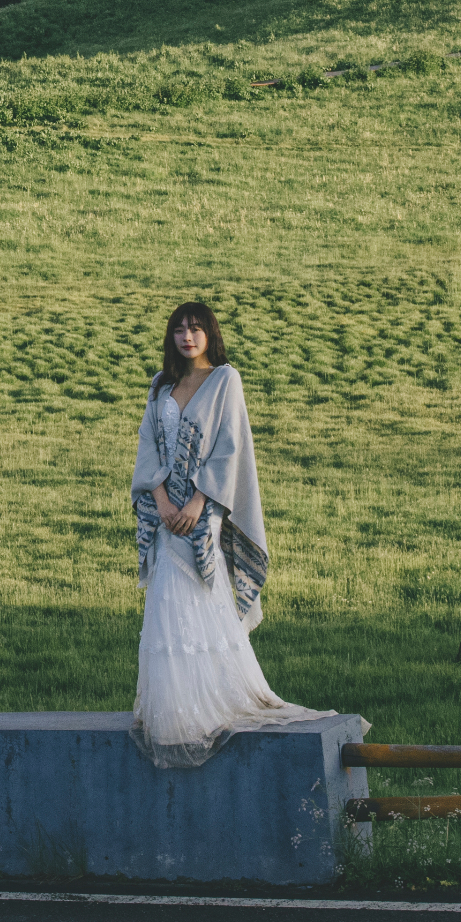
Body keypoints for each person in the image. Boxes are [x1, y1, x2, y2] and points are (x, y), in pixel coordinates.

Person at [130, 298, 326, 766]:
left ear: (209, 333)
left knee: (200, 594)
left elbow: (229, 449)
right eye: (179, 329)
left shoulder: (225, 380)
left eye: (196, 328)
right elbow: (146, 447)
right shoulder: (161, 385)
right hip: (163, 515)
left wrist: (197, 502)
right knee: (166, 605)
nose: (187, 336)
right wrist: (161, 501)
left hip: (204, 511)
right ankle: (174, 711)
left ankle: (212, 704)